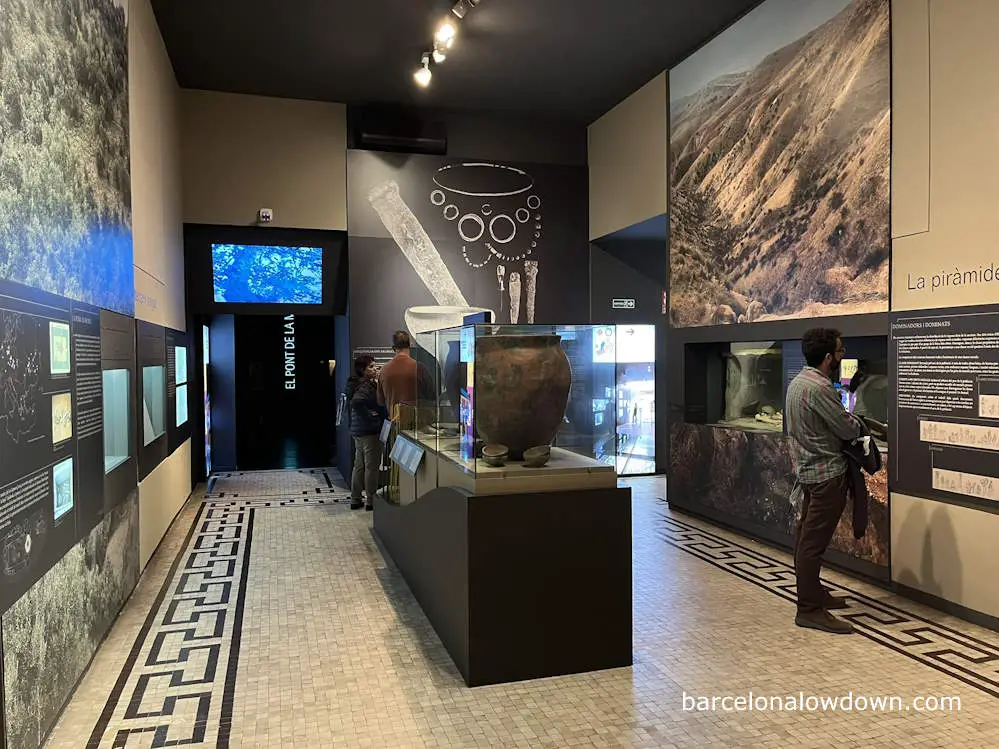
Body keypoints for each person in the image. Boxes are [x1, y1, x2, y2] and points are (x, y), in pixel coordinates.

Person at [785, 328, 862, 634]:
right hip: (826, 476)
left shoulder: (798, 383)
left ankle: (814, 594)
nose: (842, 357)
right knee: (811, 545)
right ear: (829, 357)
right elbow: (847, 429)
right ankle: (809, 609)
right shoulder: (819, 388)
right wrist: (858, 422)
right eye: (841, 352)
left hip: (808, 474)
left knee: (806, 538)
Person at [346, 355, 385, 511]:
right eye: (371, 367)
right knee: (372, 466)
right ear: (363, 370)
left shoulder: (354, 384)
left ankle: (355, 498)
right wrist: (371, 418)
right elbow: (357, 402)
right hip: (369, 432)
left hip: (357, 430)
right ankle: (371, 500)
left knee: (359, 465)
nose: (375, 369)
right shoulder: (365, 386)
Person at [376, 330, 434, 417]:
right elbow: (431, 397)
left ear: (393, 348)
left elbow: (380, 401)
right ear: (410, 345)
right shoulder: (420, 368)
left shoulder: (384, 370)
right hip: (417, 424)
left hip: (395, 423)